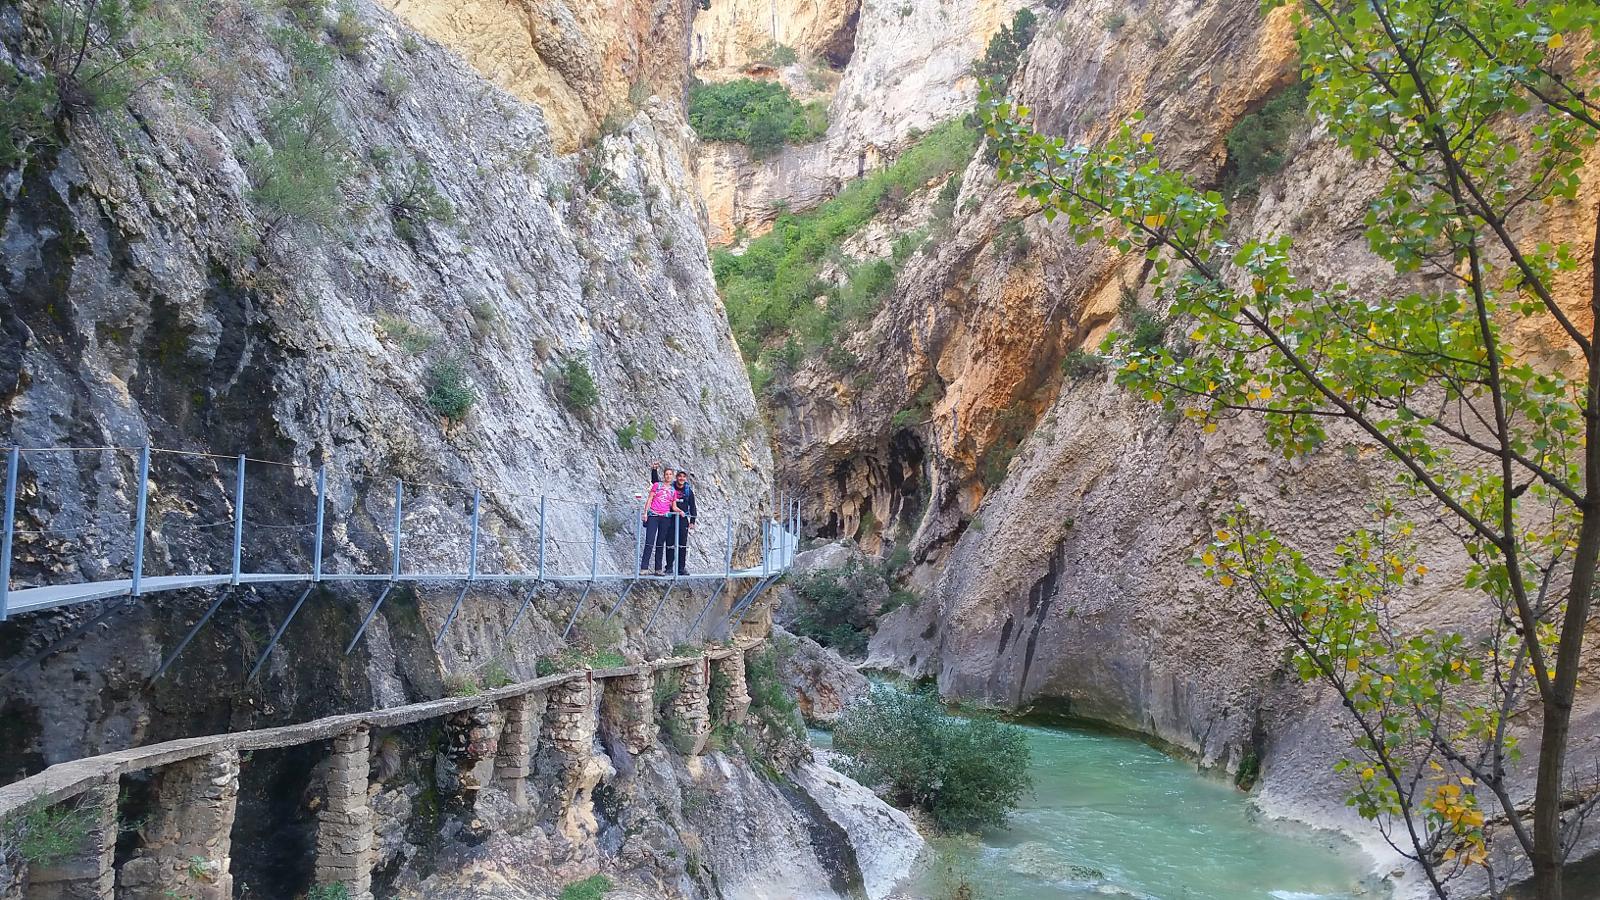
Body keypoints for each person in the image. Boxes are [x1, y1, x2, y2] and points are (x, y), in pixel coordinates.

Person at [640, 465, 682, 576]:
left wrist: (681, 511)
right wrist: (645, 513)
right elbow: (649, 499)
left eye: (670, 474)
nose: (668, 476)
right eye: (666, 474)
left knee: (660, 543)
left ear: (672, 477)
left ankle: (658, 569)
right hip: (653, 515)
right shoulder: (657, 485)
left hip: (665, 518)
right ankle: (644, 568)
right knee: (649, 540)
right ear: (664, 476)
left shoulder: (673, 491)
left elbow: (674, 506)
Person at [672, 470, 697, 575]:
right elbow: (655, 483)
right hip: (670, 518)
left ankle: (681, 568)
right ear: (676, 477)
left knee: (682, 545)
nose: (681, 478)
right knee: (670, 543)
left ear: (685, 479)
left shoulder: (688, 491)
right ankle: (669, 567)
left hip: (683, 520)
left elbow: (693, 506)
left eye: (683, 477)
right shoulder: (670, 488)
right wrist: (654, 470)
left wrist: (692, 521)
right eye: (679, 476)